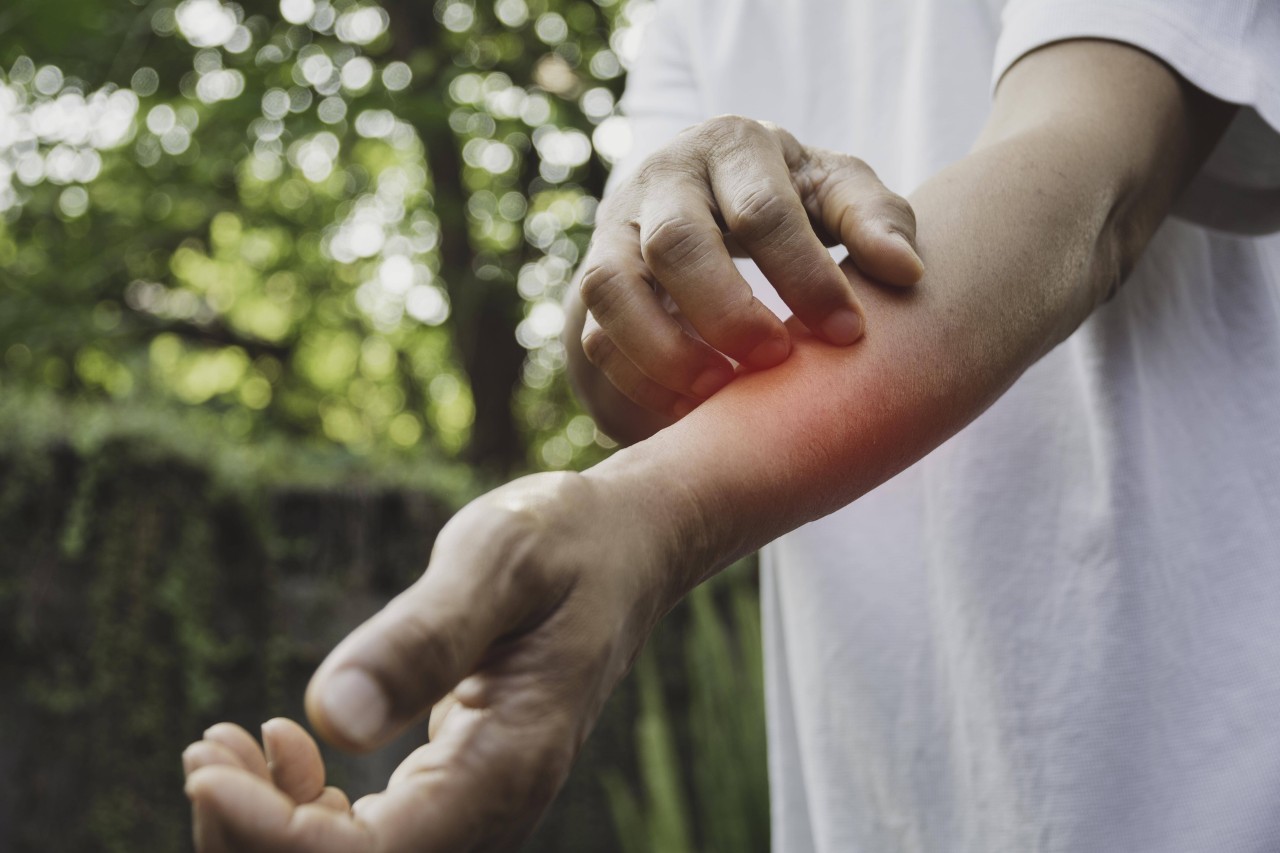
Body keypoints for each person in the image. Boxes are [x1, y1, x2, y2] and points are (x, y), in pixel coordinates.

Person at [181, 0, 1280, 850]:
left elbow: (1092, 186)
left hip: (1206, 778)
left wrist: (639, 522)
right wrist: (643, 248)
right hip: (879, 800)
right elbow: (630, 371)